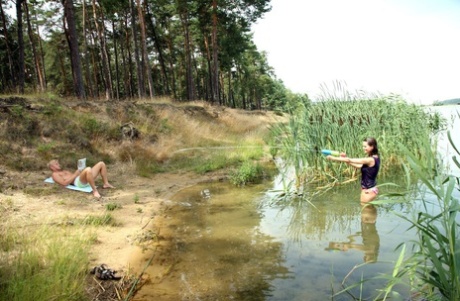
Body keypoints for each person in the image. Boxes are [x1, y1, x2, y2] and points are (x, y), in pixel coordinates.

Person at [327, 137, 380, 203]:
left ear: (372, 147)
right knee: (370, 211)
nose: (363, 148)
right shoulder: (375, 157)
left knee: (366, 212)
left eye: (365, 146)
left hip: (367, 192)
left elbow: (350, 160)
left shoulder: (370, 159)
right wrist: (345, 159)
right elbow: (360, 166)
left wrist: (333, 158)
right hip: (372, 189)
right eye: (363, 146)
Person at [48, 159, 114, 198]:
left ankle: (106, 183)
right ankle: (95, 190)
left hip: (81, 178)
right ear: (52, 167)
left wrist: (79, 172)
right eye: (56, 164)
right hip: (78, 182)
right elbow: (64, 183)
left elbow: (74, 175)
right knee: (88, 169)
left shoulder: (65, 171)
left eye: (58, 163)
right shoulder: (55, 175)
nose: (58, 164)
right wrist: (75, 174)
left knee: (101, 163)